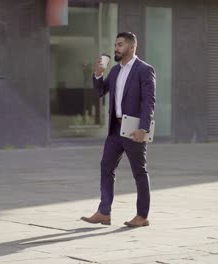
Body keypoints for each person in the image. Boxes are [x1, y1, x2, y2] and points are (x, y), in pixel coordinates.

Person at [80, 32, 156, 228]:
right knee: (106, 167)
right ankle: (104, 212)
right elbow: (99, 92)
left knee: (139, 171)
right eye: (115, 45)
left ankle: (142, 215)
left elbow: (149, 102)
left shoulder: (144, 70)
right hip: (115, 129)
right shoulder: (114, 71)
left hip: (134, 129)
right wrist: (98, 74)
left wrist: (143, 128)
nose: (116, 48)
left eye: (120, 45)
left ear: (132, 47)